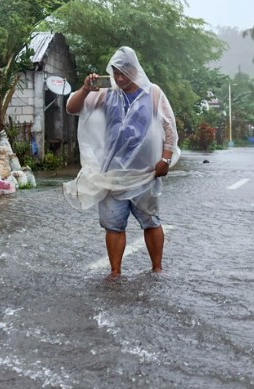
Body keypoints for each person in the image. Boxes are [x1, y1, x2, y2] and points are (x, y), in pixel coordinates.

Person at [64, 46, 179, 279]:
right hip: (113, 174)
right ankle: (115, 272)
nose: (119, 78)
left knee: (151, 221)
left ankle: (157, 268)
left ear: (135, 70)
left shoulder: (153, 93)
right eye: (115, 73)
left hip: (145, 173)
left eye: (123, 72)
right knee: (113, 225)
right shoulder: (107, 94)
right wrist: (86, 89)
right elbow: (72, 108)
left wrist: (166, 159)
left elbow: (170, 129)